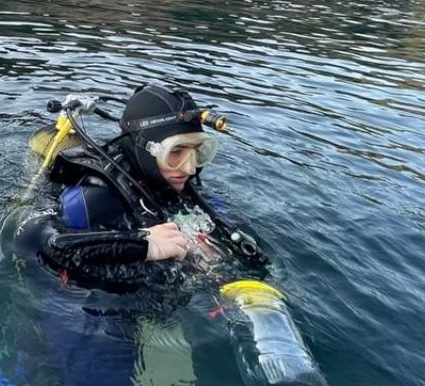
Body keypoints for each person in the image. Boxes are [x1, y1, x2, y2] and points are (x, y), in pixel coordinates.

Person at [18, 83, 263, 293]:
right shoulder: (90, 198)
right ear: (146, 149)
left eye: (197, 152)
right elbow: (41, 244)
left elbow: (218, 218)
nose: (189, 169)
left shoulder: (174, 182)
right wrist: (144, 244)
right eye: (175, 152)